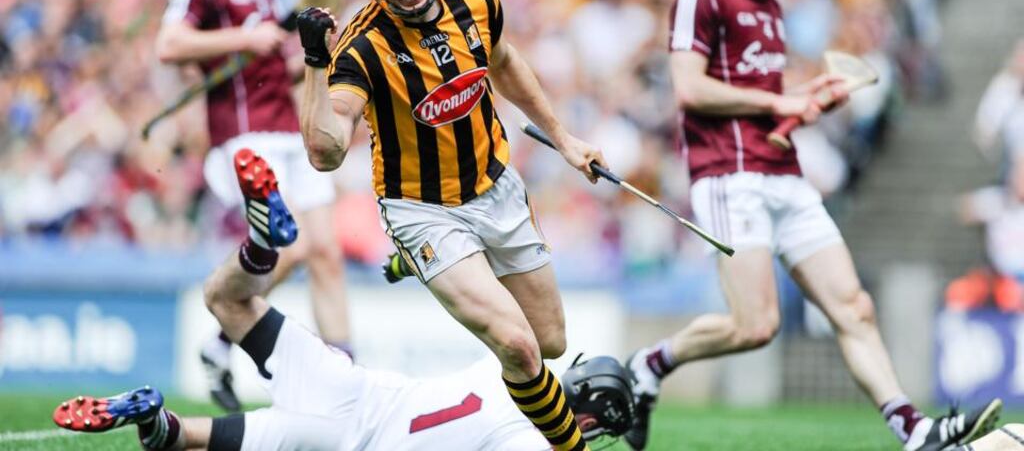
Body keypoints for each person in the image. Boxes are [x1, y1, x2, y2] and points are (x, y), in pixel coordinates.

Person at [621, 0, 1001, 451]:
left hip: (783, 172)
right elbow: (690, 87)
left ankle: (914, 430)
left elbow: (762, 106)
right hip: (728, 176)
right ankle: (652, 362)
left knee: (854, 306)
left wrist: (806, 102)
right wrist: (780, 103)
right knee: (755, 326)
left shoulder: (772, 9)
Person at [53, 150, 635, 451]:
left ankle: (260, 250)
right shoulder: (531, 437)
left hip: (351, 388)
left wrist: (421, 258)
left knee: (223, 300)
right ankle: (157, 421)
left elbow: (496, 287)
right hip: (345, 444)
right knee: (190, 440)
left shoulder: (513, 367)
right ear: (590, 417)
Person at [296, 0, 607, 451]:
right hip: (423, 210)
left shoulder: (477, 2)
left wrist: (563, 139)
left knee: (550, 342)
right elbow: (325, 154)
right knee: (518, 347)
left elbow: (504, 62)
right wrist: (313, 64)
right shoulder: (361, 47)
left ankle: (413, 265)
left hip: (496, 187)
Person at [154, 0, 351, 412]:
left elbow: (275, 69)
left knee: (327, 253)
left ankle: (348, 377)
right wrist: (243, 39)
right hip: (244, 136)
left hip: (290, 131)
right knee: (300, 247)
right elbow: (169, 44)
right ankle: (224, 333)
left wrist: (312, 52)